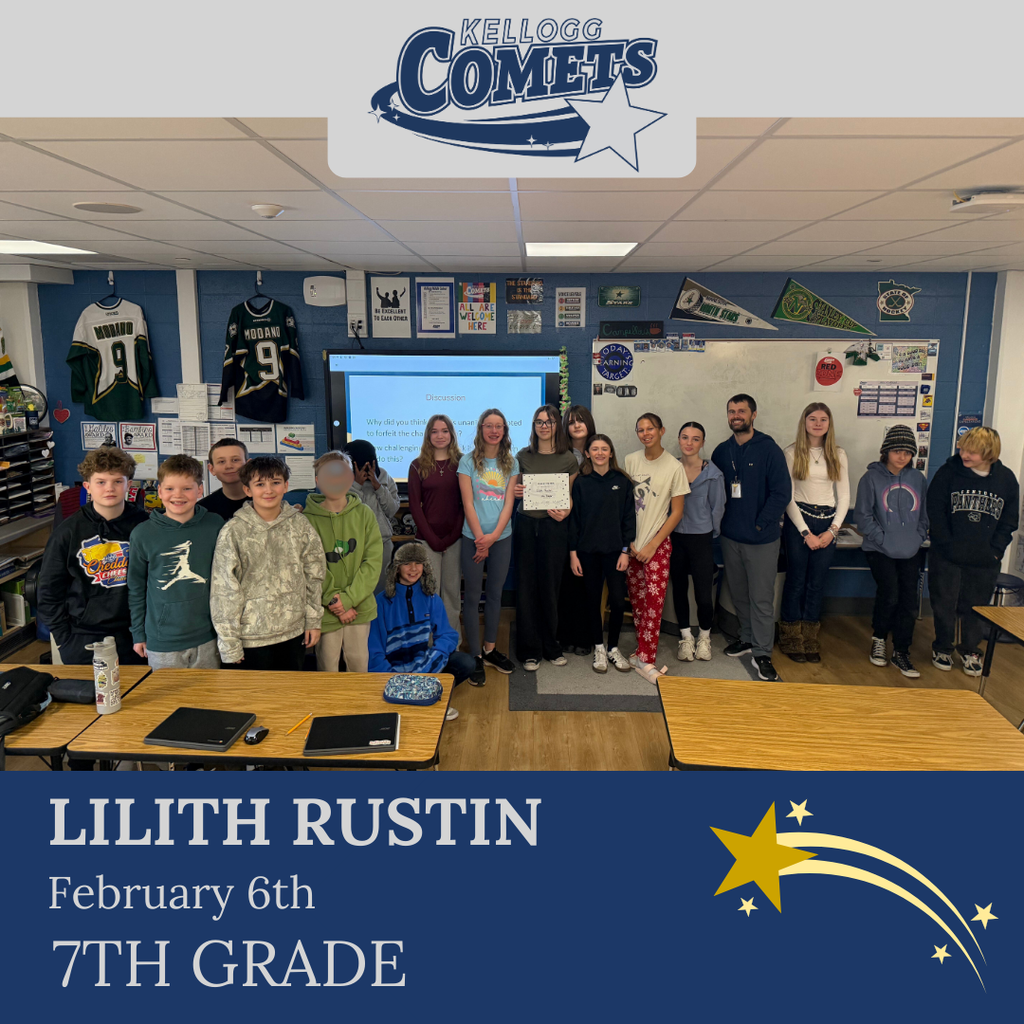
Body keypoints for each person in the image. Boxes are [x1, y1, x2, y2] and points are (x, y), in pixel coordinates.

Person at [210, 455, 325, 671]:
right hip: (251, 638)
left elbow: (314, 574)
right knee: (255, 692)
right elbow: (224, 590)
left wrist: (313, 620)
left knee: (290, 690)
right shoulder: (233, 531)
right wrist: (229, 642)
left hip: (293, 632)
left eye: (275, 482)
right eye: (260, 484)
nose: (269, 490)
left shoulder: (300, 525)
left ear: (286, 486)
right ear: (247, 490)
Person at [37, 447, 148, 665]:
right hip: (82, 637)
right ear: (87, 486)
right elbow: (49, 590)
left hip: (136, 634)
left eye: (117, 481)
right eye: (101, 482)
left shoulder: (145, 526)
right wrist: (63, 639)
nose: (110, 488)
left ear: (129, 485)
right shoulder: (67, 532)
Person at [926, 426, 1019, 677]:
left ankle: (970, 650)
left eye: (972, 452)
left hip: (984, 559)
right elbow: (935, 510)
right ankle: (942, 647)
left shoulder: (1006, 479)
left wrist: (996, 551)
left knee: (976, 607)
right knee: (944, 603)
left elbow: (1009, 520)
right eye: (963, 449)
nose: (964, 455)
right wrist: (945, 544)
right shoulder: (948, 473)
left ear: (989, 453)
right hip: (946, 556)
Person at [711, 394, 791, 683]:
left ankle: (762, 653)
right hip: (730, 538)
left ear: (753, 415)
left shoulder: (770, 450)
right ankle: (746, 638)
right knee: (739, 594)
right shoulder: (722, 451)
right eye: (731, 411)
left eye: (741, 411)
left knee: (761, 599)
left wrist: (760, 524)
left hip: (761, 540)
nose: (736, 415)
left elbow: (782, 493)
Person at [128, 454, 225, 670]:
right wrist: (138, 633)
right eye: (170, 488)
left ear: (200, 490)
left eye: (187, 488)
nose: (178, 495)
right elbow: (136, 588)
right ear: (160, 491)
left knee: (208, 690)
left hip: (208, 636)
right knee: (166, 692)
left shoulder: (215, 525)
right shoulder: (143, 534)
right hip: (162, 640)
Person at [368, 542, 477, 722]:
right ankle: (420, 699)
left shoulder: (431, 597)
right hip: (393, 670)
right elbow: (375, 651)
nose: (413, 569)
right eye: (407, 563)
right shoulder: (381, 602)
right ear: (396, 567)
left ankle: (429, 695)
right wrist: (396, 680)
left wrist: (428, 666)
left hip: (424, 665)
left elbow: (448, 635)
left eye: (418, 563)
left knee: (466, 663)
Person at [854, 425, 928, 678]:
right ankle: (879, 639)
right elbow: (863, 517)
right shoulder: (870, 478)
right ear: (886, 451)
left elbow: (924, 515)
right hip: (880, 549)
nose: (902, 456)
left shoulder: (918, 479)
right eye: (897, 451)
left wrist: (917, 538)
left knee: (908, 600)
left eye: (907, 452)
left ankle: (901, 651)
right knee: (890, 594)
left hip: (911, 549)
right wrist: (882, 539)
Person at [779, 402, 850, 664]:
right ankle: (790, 637)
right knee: (796, 580)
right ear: (804, 422)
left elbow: (844, 496)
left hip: (827, 522)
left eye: (823, 419)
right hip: (800, 520)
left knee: (816, 582)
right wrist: (805, 532)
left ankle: (810, 637)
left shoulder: (838, 454)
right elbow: (787, 496)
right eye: (812, 419)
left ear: (829, 424)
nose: (818, 424)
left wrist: (833, 530)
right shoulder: (791, 453)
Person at [623, 413, 689, 684]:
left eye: (650, 428)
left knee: (653, 604)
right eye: (640, 430)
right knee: (638, 602)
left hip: (657, 545)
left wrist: (652, 545)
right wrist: (629, 542)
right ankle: (640, 651)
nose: (645, 433)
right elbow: (624, 505)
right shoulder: (630, 460)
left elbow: (677, 512)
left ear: (661, 431)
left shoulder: (674, 466)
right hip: (632, 544)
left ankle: (647, 659)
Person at [303, 450, 382, 673]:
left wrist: (348, 599)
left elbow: (373, 561)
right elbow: (310, 567)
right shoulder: (306, 521)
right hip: (325, 609)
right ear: (318, 481)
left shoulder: (365, 514)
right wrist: (334, 601)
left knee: (358, 664)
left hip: (359, 606)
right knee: (327, 666)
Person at [513, 403, 579, 671]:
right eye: (539, 422)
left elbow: (571, 497)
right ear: (533, 426)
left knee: (551, 588)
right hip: (526, 525)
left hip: (554, 528)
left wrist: (567, 510)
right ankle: (529, 651)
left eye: (549, 422)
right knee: (526, 588)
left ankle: (551, 646)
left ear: (556, 426)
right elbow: (514, 489)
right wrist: (516, 492)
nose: (544, 426)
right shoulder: (522, 456)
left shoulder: (568, 458)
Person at [458, 408, 519, 684]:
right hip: (472, 538)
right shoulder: (467, 462)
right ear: (481, 428)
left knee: (495, 595)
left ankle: (490, 649)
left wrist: (492, 537)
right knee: (472, 597)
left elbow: (509, 504)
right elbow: (468, 503)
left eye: (499, 426)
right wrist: (480, 539)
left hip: (501, 538)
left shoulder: (511, 463)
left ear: (504, 431)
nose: (494, 431)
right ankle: (474, 656)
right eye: (489, 426)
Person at [568, 434, 635, 673]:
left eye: (604, 449)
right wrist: (573, 554)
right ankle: (598, 647)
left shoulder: (622, 481)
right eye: (594, 449)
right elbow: (574, 521)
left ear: (611, 452)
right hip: (587, 552)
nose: (599, 453)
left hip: (615, 552)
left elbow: (629, 519)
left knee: (616, 601)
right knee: (593, 601)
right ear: (587, 454)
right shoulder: (581, 483)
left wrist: (626, 551)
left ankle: (613, 648)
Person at [671, 421, 725, 663]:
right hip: (675, 537)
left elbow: (718, 508)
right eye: (685, 437)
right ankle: (685, 637)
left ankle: (704, 636)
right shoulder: (671, 469)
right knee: (679, 588)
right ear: (679, 440)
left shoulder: (713, 474)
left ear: (702, 443)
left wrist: (710, 532)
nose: (689, 443)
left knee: (703, 594)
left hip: (701, 539)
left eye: (695, 439)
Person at [408, 414, 464, 640]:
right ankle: (428, 644)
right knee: (428, 593)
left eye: (444, 430)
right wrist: (432, 539)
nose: (440, 435)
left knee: (451, 594)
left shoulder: (463, 463)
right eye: (434, 431)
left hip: (455, 539)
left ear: (451, 434)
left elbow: (465, 504)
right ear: (428, 435)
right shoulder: (417, 465)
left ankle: (451, 644)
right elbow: (415, 506)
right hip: (427, 540)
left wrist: (451, 537)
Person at [558, 404, 598, 654]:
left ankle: (585, 636)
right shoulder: (559, 453)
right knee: (565, 581)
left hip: (590, 525)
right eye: (571, 422)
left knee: (587, 580)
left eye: (580, 420)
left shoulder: (599, 449)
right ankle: (564, 635)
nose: (576, 425)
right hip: (562, 523)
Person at [344, 438, 400, 595]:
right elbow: (347, 512)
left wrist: (378, 486)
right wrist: (357, 486)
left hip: (382, 543)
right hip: (354, 545)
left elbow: (392, 510)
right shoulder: (342, 480)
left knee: (382, 592)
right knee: (358, 592)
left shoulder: (384, 477)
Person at [198, 438, 249, 520]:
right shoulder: (202, 510)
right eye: (221, 461)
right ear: (212, 469)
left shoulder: (266, 500)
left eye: (235, 460)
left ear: (248, 465)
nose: (229, 466)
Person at [563, 404, 597, 469]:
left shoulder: (599, 451)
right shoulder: (560, 454)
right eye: (571, 423)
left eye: (581, 421)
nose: (577, 426)